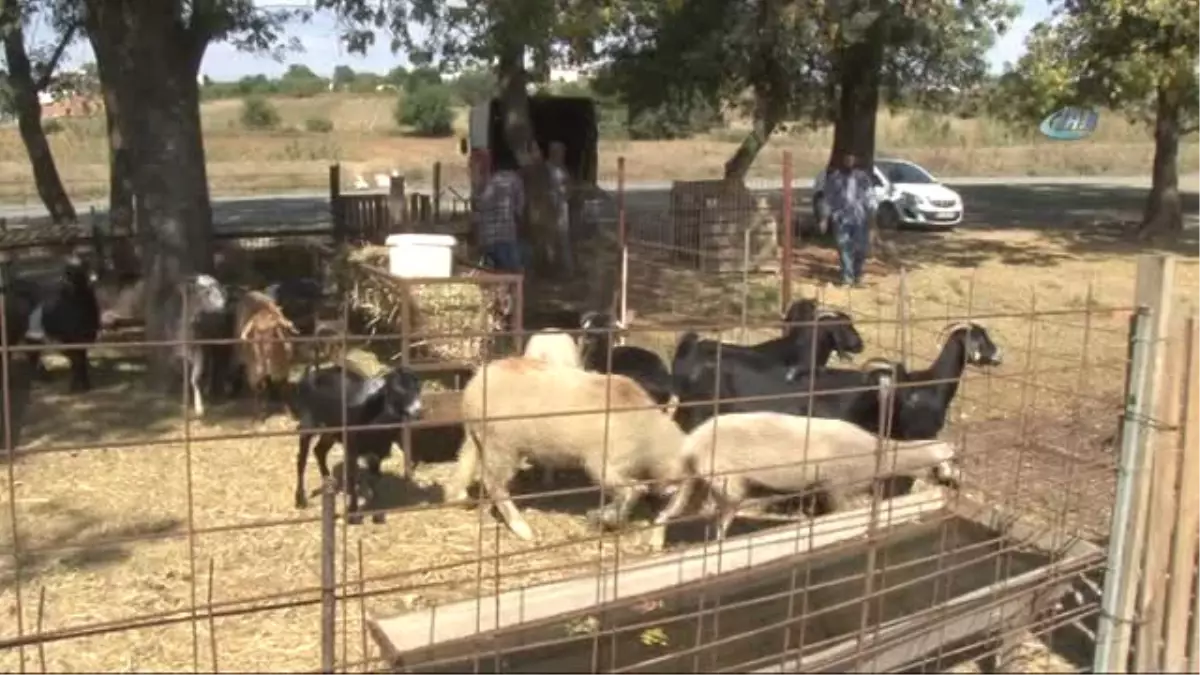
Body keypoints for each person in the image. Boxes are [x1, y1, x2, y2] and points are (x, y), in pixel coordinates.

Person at [821, 151, 877, 287]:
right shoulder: (835, 178)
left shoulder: (862, 178)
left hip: (859, 219)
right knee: (844, 247)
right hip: (841, 219)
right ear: (843, 161)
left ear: (856, 160)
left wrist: (872, 219)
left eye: (852, 159)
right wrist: (824, 218)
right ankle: (847, 278)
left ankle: (857, 275)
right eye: (846, 159)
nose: (849, 162)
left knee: (860, 249)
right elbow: (828, 199)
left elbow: (870, 198)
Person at [474, 156, 526, 272]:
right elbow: (519, 208)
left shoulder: (489, 181)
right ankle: (511, 288)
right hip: (506, 232)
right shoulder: (516, 180)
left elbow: (479, 206)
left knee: (491, 268)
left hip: (488, 234)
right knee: (510, 268)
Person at [546, 141, 574, 275]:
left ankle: (567, 270)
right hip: (549, 207)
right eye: (559, 153)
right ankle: (550, 269)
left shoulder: (562, 169)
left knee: (563, 238)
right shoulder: (546, 169)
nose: (561, 156)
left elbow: (569, 187)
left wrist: (567, 192)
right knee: (550, 239)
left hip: (562, 206)